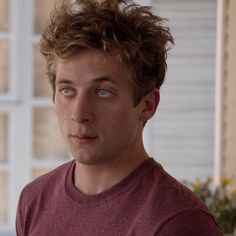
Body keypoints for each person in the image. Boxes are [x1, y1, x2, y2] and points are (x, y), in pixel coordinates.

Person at [16, 0, 223, 235]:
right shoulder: (34, 200)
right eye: (67, 90)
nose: (79, 114)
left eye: (103, 91)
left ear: (147, 105)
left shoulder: (178, 221)